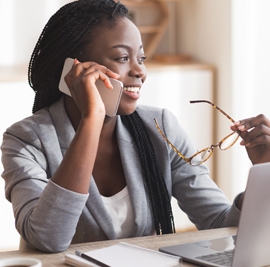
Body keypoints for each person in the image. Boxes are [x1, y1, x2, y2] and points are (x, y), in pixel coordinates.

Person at [1, 0, 270, 253]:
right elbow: (48, 238)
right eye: (121, 57)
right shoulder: (25, 140)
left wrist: (264, 175)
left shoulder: (160, 128)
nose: (139, 71)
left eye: (140, 58)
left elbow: (222, 228)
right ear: (73, 71)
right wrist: (91, 118)